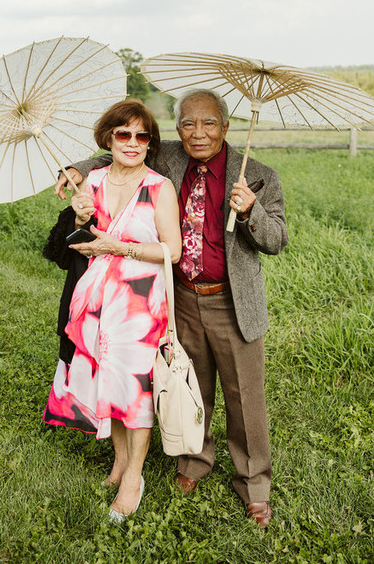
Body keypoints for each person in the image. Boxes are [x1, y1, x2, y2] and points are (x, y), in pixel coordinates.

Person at [55, 89, 288, 528]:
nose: (198, 133)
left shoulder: (258, 174)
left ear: (225, 125)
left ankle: (254, 485)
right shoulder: (170, 159)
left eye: (208, 123)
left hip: (231, 301)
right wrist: (74, 169)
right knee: (185, 384)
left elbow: (277, 239)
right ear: (178, 128)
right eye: (187, 124)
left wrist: (253, 211)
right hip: (178, 296)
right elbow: (118, 155)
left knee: (244, 398)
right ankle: (194, 463)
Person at [43, 99, 182, 522]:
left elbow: (171, 251)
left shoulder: (160, 188)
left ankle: (133, 477)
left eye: (143, 136)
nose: (134, 142)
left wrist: (114, 245)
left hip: (140, 307)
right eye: (124, 134)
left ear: (150, 144)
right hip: (95, 301)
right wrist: (78, 216)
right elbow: (67, 245)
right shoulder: (92, 182)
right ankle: (119, 460)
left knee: (134, 391)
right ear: (108, 138)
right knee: (110, 383)